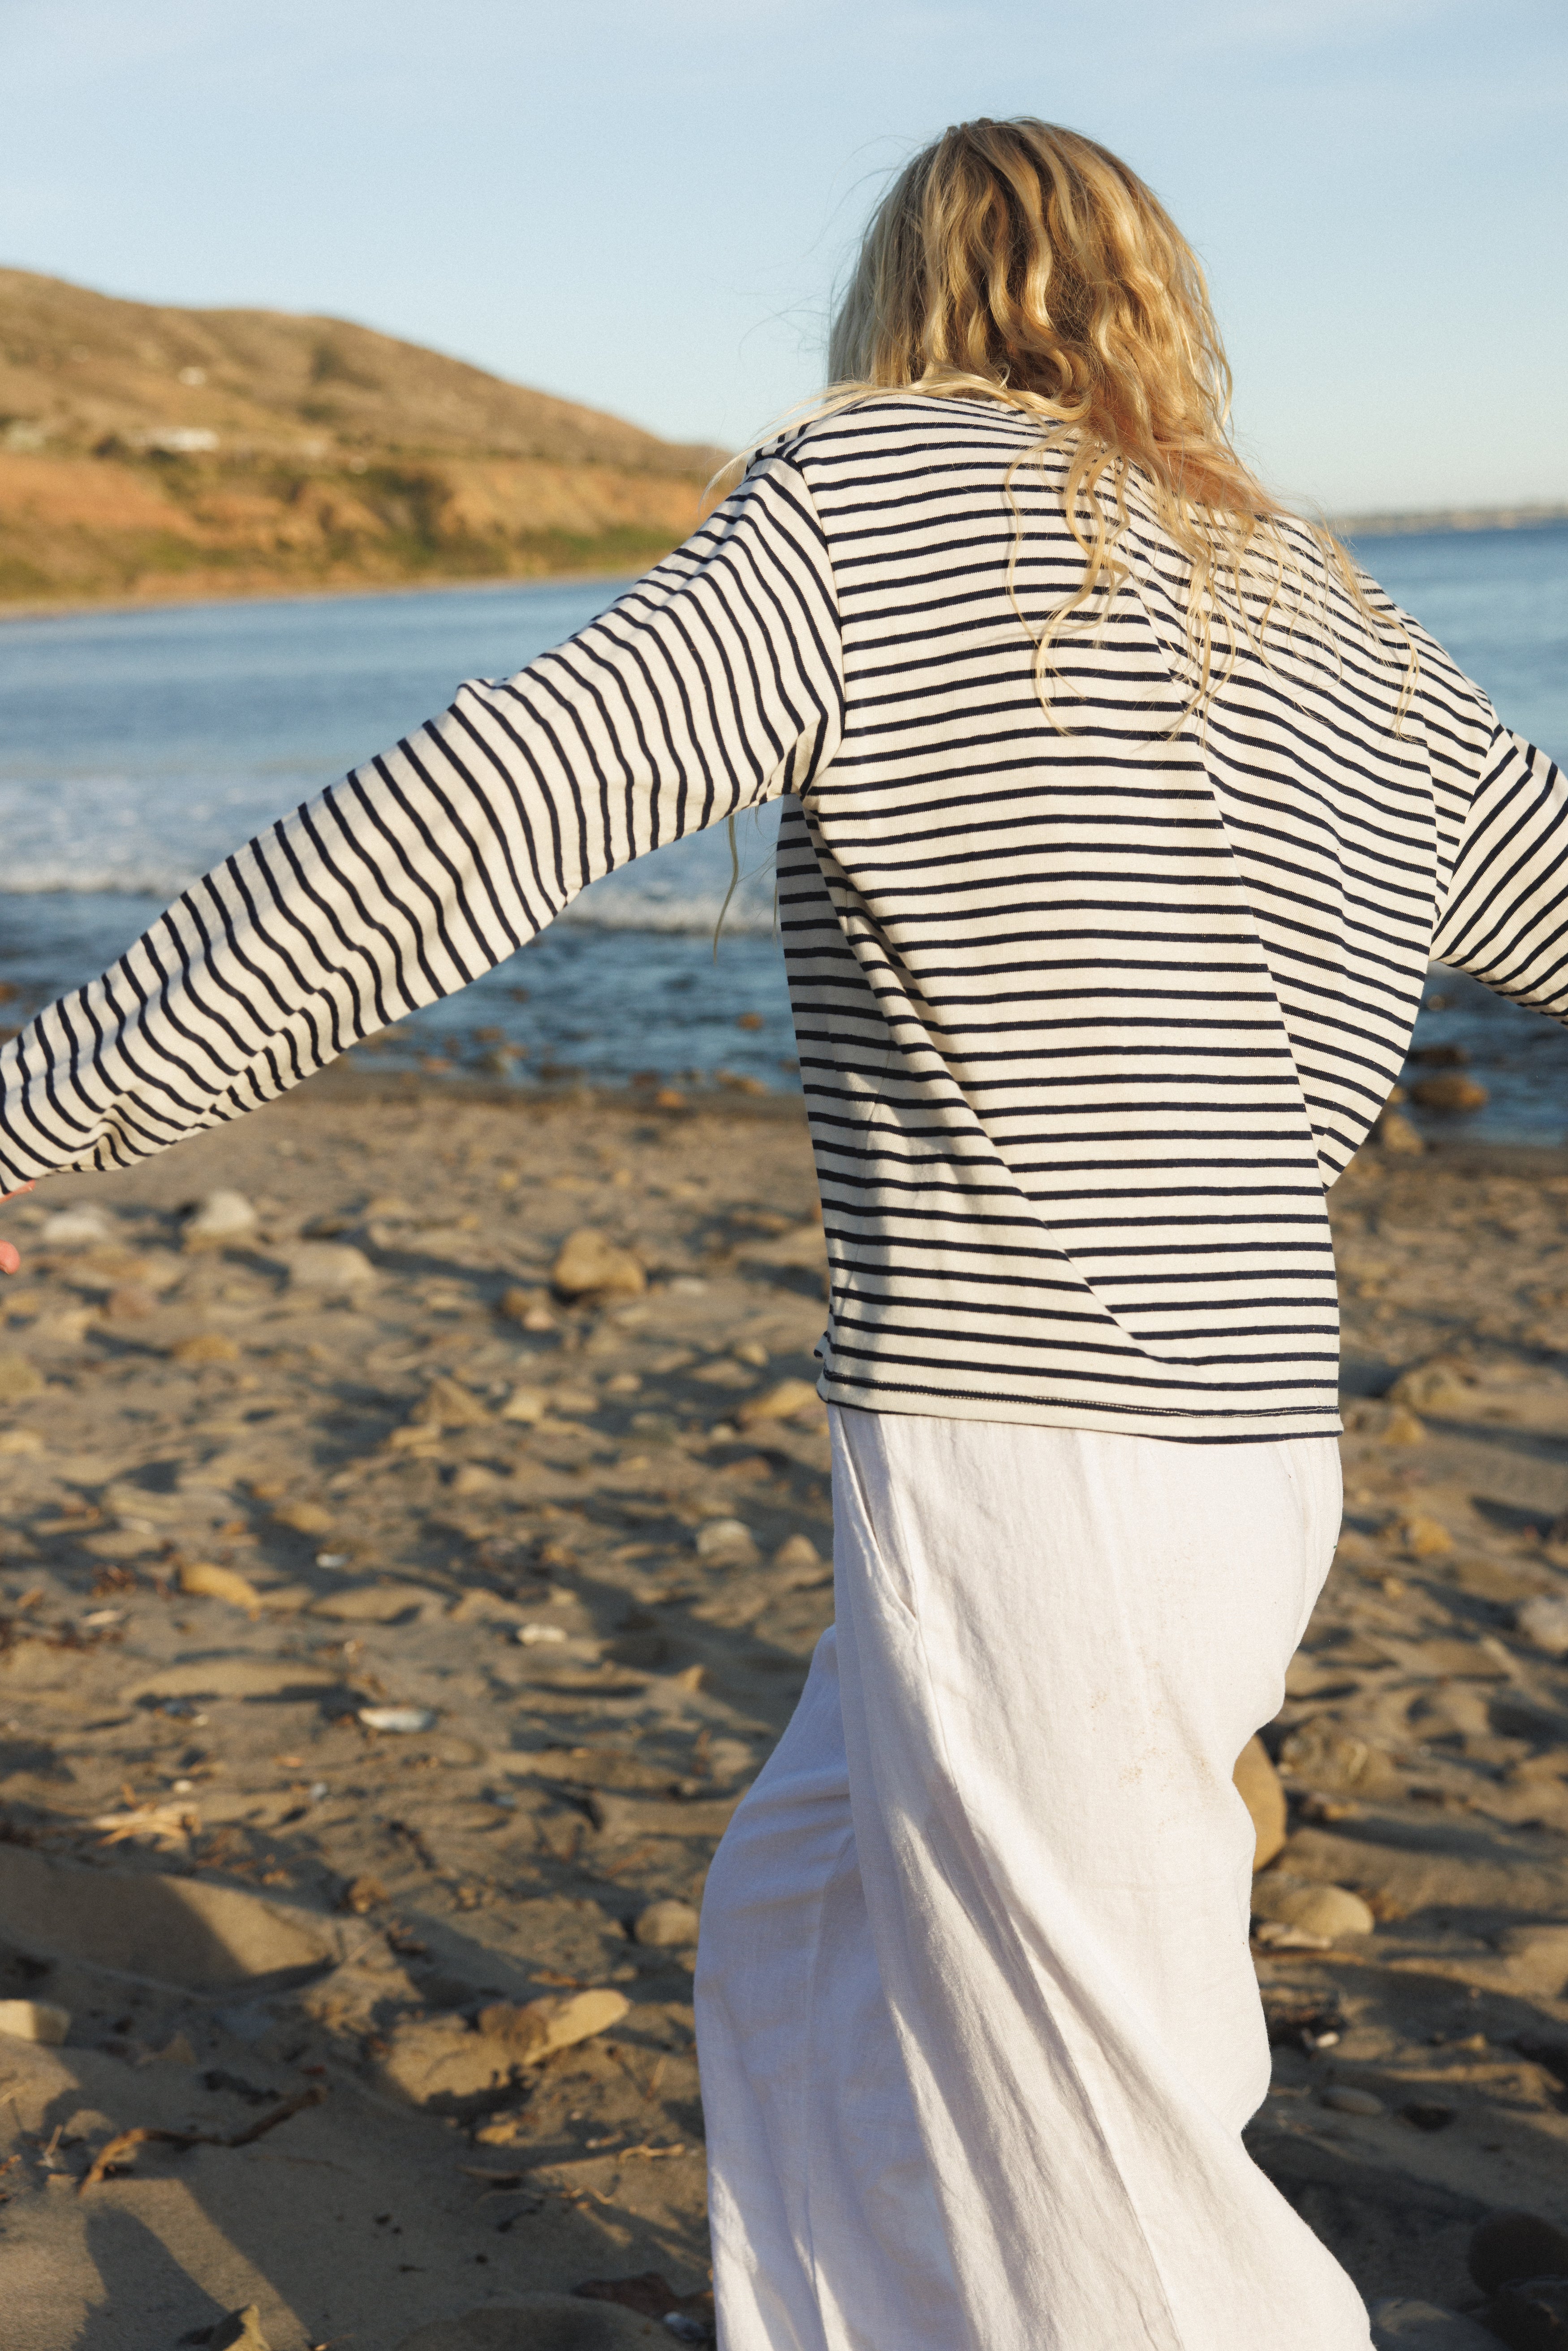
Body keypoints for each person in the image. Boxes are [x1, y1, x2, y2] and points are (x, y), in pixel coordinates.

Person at [0, 116, 1562, 2349]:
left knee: (1105, 2134)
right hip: (1241, 1442)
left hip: (1034, 1448)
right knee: (806, 1924)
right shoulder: (1322, 596)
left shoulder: (867, 496)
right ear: (1158, 308)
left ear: (899, 302)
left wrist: (28, 1117)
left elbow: (442, 838)